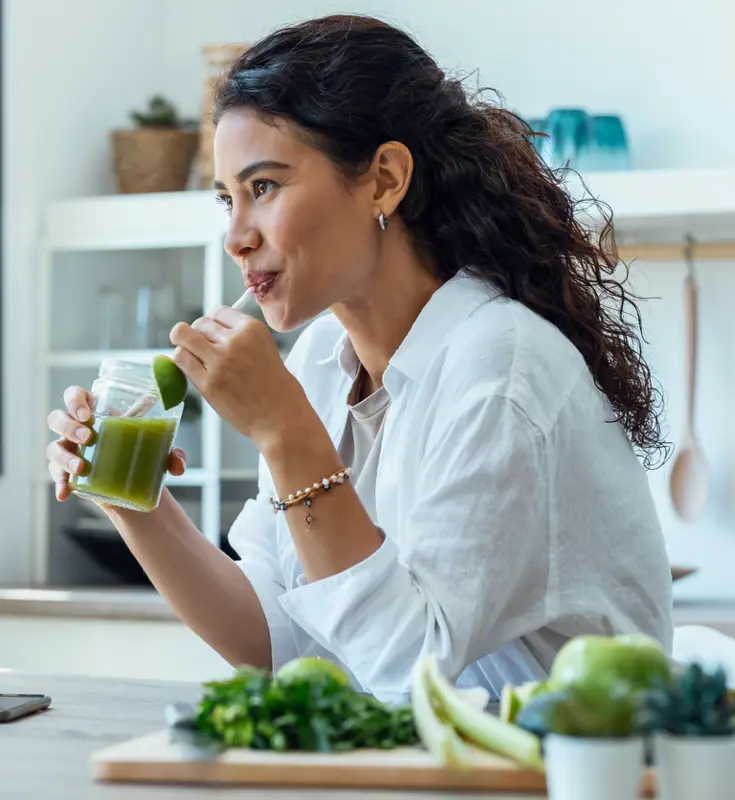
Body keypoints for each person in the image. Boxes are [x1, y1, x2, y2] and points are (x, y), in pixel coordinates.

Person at [45, 14, 673, 705]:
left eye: (265, 188)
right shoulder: (320, 360)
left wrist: (286, 435)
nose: (236, 238)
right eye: (227, 199)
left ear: (384, 180)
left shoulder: (501, 371)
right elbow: (275, 637)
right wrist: (132, 497)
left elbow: (414, 677)